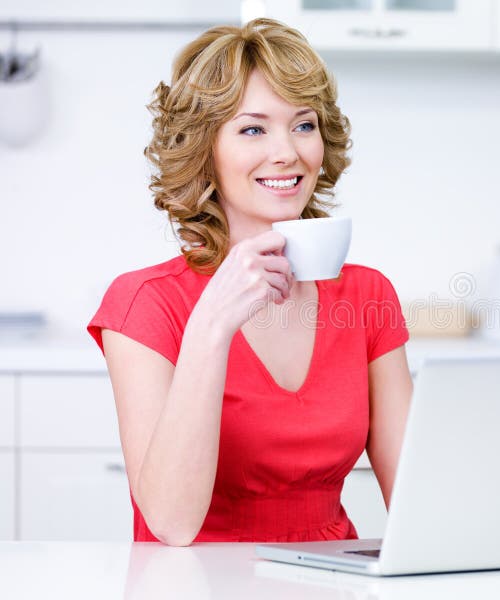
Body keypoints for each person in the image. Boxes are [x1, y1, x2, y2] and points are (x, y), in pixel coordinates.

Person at [87, 18, 413, 547]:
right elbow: (171, 523)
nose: (287, 152)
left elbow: (417, 500)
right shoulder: (146, 304)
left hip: (329, 580)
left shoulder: (367, 296)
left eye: (304, 125)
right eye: (253, 129)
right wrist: (212, 325)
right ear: (204, 150)